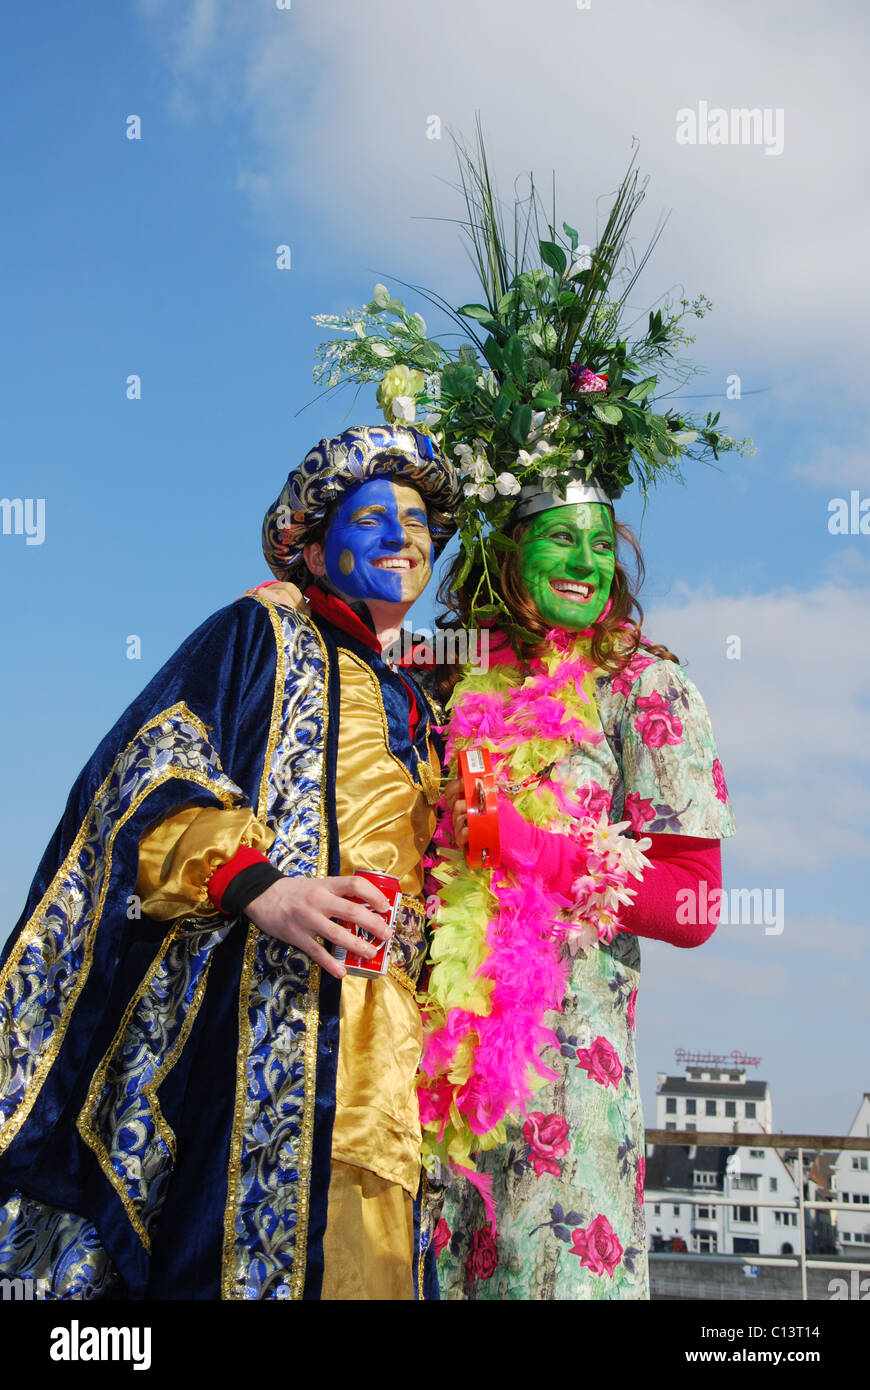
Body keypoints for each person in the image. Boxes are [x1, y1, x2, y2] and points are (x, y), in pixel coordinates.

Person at [0, 423, 457, 1301]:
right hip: (266, 1017)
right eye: (371, 520)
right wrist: (262, 888)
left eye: (416, 518)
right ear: (314, 553)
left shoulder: (425, 698)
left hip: (396, 1042)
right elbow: (142, 778)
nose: (403, 534)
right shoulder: (259, 633)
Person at [421, 478, 736, 1300]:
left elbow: (694, 904)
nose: (586, 563)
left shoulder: (645, 685)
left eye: (603, 545)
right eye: (562, 538)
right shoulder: (447, 676)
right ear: (507, 556)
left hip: (564, 1109)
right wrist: (285, 609)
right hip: (431, 1089)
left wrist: (528, 850)